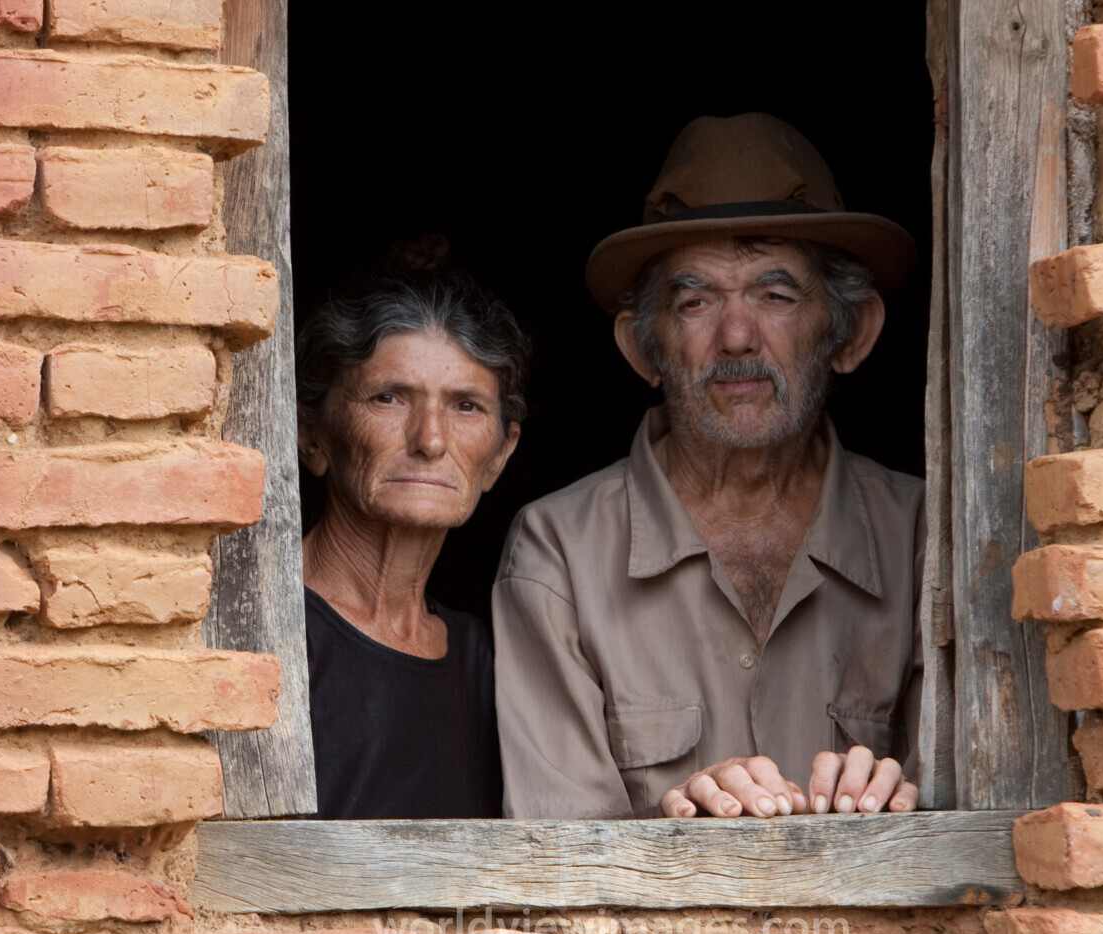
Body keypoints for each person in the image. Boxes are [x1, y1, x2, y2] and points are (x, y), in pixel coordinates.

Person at [492, 113, 923, 819]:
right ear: (644, 348)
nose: (736, 335)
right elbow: (559, 868)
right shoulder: (559, 551)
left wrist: (906, 800)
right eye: (695, 300)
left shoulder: (922, 537)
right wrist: (675, 836)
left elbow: (983, 814)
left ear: (850, 333)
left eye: (775, 294)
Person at [296, 241, 528, 818]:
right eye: (389, 397)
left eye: (466, 406)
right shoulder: (259, 632)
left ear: (500, 457)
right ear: (311, 436)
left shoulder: (491, 663)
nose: (430, 440)